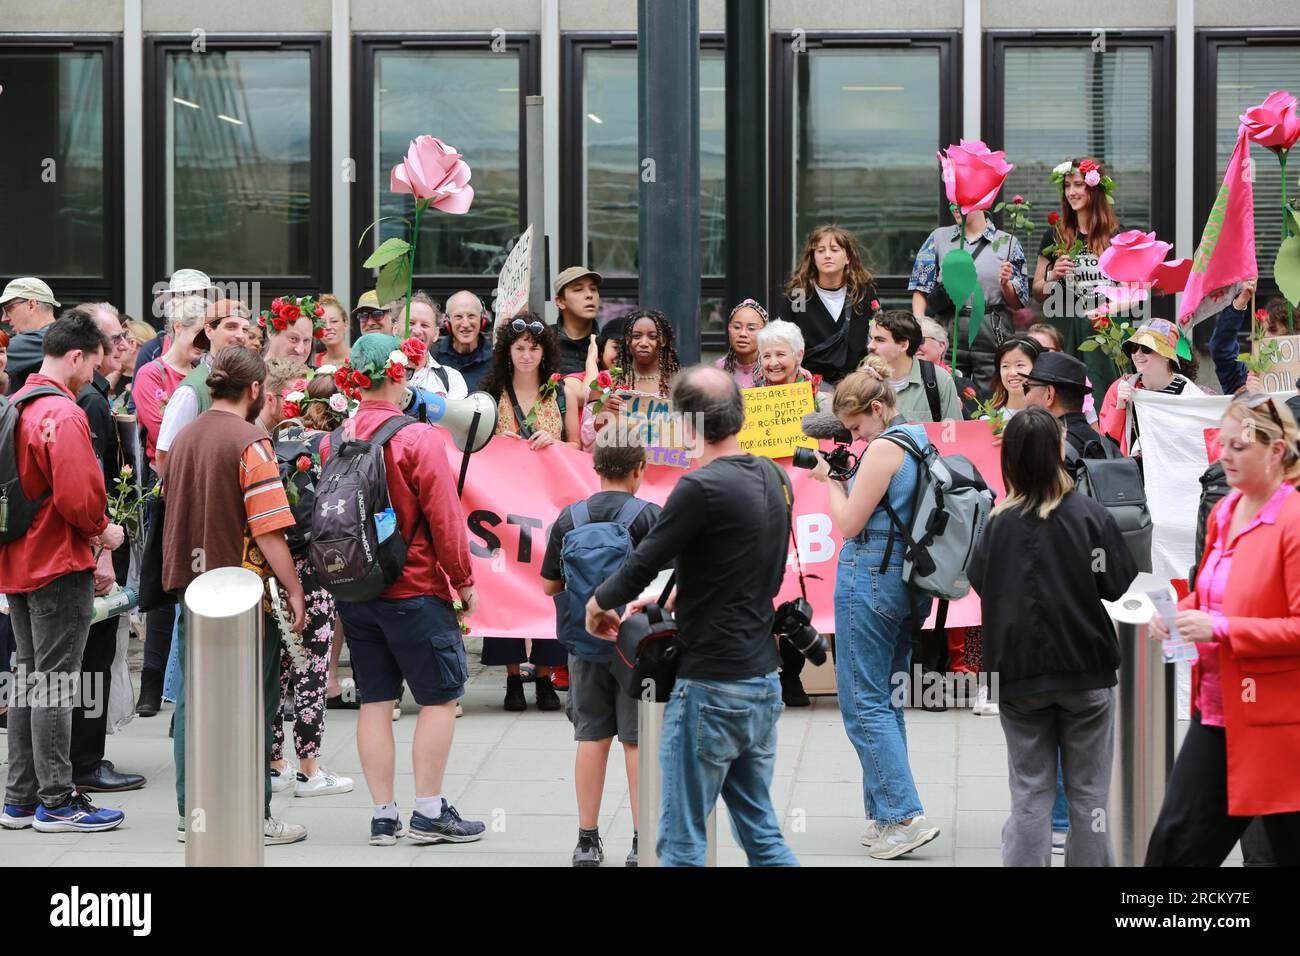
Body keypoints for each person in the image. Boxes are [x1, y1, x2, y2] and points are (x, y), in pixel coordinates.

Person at [585, 366, 799, 867]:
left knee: (681, 843)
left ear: (686, 425)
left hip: (711, 685)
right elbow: (730, 556)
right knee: (761, 833)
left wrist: (598, 603)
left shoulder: (699, 487)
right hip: (763, 679)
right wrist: (675, 598)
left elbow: (643, 562)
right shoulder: (773, 475)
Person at [320, 333, 484, 847]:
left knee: (375, 700)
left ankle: (383, 816)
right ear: (399, 375)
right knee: (439, 699)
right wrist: (463, 580)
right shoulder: (418, 439)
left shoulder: (333, 439)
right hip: (415, 589)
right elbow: (445, 520)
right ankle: (430, 811)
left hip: (357, 591)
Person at [968, 406, 1137, 866]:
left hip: (1017, 676)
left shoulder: (998, 523)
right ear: (1058, 452)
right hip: (1086, 669)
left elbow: (980, 580)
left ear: (1010, 461)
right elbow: (1117, 583)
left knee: (1029, 793)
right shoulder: (1089, 515)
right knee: (1089, 797)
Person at [161, 346, 308, 846]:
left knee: (194, 702)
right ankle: (252, 813)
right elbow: (268, 530)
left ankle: (191, 815)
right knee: (252, 705)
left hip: (192, 587)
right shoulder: (253, 442)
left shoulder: (182, 437)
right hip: (243, 595)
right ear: (254, 390)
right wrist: (293, 588)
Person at [1145, 394, 1300, 866]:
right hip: (1218, 712)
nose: (1224, 456)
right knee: (1173, 849)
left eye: (1238, 446)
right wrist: (1178, 614)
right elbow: (1212, 592)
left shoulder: (1293, 521)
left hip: (1277, 726)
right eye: (1222, 444)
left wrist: (1221, 628)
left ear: (1276, 451)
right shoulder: (1225, 510)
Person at [806, 359, 942, 859]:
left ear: (879, 408)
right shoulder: (917, 439)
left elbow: (847, 523)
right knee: (884, 700)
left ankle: (903, 816)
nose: (855, 436)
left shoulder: (884, 448)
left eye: (857, 425)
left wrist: (829, 478)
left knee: (861, 702)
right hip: (905, 583)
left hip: (870, 576)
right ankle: (882, 816)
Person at [0, 311, 126, 833]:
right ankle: (56, 801)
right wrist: (104, 531)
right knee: (53, 685)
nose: (97, 373)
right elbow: (79, 497)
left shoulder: (15, 405)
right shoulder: (65, 413)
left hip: (19, 561)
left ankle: (20, 798)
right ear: (76, 355)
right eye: (95, 362)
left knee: (30, 681)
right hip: (57, 561)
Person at [542, 439, 660, 867]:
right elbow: (667, 583)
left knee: (591, 738)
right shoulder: (649, 516)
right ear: (639, 469)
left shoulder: (569, 518)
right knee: (637, 743)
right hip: (637, 648)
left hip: (584, 644)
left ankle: (587, 841)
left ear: (595, 467)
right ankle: (641, 839)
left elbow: (550, 586)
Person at [259, 362, 355, 799]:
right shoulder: (336, 446)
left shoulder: (279, 439)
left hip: (276, 564)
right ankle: (309, 768)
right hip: (317, 566)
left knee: (278, 665)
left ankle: (275, 763)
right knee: (313, 666)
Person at [479, 315, 582, 709]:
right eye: (519, 347)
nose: (526, 355)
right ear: (507, 350)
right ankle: (511, 678)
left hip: (548, 504)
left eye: (533, 348)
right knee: (503, 584)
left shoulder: (561, 394)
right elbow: (475, 445)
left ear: (545, 351)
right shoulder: (492, 393)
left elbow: (577, 447)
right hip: (502, 505)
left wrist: (552, 444)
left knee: (549, 585)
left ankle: (543, 675)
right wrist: (498, 441)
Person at [71, 303, 147, 794]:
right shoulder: (94, 403)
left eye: (123, 338)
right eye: (112, 339)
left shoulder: (98, 396)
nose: (122, 347)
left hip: (99, 545)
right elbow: (95, 485)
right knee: (92, 660)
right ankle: (86, 761)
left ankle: (81, 758)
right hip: (98, 549)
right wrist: (103, 553)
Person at [909, 205, 1029, 397]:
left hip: (991, 325)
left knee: (992, 395)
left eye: (960, 203)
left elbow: (1018, 302)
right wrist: (920, 326)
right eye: (951, 203)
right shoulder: (939, 238)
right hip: (948, 326)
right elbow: (921, 288)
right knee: (945, 390)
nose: (954, 208)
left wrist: (1006, 284)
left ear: (981, 202)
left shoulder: (1008, 242)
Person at [1032, 156, 1123, 400]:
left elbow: (1131, 290)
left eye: (1079, 184)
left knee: (1104, 397)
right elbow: (1038, 291)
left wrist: (1107, 309)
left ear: (1094, 189)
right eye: (1067, 186)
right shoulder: (1055, 236)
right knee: (1066, 397)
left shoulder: (1116, 236)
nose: (1071, 192)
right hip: (1066, 329)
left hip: (1103, 334)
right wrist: (1054, 274)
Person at [155, 299, 251, 476]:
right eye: (231, 327)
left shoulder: (249, 382)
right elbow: (165, 455)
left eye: (245, 329)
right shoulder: (191, 391)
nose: (240, 335)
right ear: (209, 330)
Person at [776, 224, 879, 382]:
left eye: (834, 249)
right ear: (813, 258)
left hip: (857, 381)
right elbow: (782, 337)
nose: (827, 256)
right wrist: (796, 368)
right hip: (810, 382)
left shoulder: (863, 293)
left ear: (848, 258)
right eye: (820, 250)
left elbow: (879, 334)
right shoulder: (799, 295)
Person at [1099, 318, 1202, 457]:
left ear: (1167, 356)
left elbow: (1197, 441)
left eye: (1147, 348)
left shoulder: (1190, 394)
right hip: (1132, 474)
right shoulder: (1121, 387)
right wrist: (1119, 408)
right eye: (1134, 348)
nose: (1138, 354)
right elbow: (1107, 441)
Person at [866, 310, 961, 424]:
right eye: (871, 339)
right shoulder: (864, 380)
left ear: (903, 345)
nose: (870, 346)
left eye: (879, 340)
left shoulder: (939, 379)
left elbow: (954, 435)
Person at [131, 269, 214, 381]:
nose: (192, 304)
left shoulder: (216, 346)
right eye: (183, 297)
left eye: (200, 299)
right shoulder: (153, 349)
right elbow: (136, 397)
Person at [1207, 279, 1286, 396]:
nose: (1266, 337)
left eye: (1273, 331)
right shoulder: (1245, 375)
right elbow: (1221, 350)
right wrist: (1240, 303)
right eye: (1262, 331)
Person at [1022, 351, 1105, 460]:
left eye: (1027, 387)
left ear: (1049, 394)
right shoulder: (1107, 447)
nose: (1025, 397)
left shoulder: (1045, 450)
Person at [1027, 322, 1098, 427]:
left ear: (1060, 352)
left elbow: (1094, 432)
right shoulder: (1014, 378)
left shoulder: (1073, 383)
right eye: (1030, 350)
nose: (1037, 355)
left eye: (1043, 350)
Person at [399, 292, 468, 399]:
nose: (417, 331)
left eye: (425, 325)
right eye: (411, 323)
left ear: (436, 334)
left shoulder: (451, 378)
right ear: (394, 329)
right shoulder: (378, 376)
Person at [1, 276, 61, 393]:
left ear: (31, 305)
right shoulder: (59, 336)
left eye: (8, 309)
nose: (4, 318)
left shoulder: (48, 338)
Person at [437, 290, 493, 393]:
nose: (466, 324)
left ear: (483, 319)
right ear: (447, 322)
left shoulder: (496, 357)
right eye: (458, 317)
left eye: (471, 316)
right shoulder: (433, 356)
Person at [553, 266, 603, 376]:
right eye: (578, 290)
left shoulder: (606, 344)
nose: (590, 295)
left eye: (593, 289)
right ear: (560, 301)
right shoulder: (544, 341)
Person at [752, 319, 818, 393]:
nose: (773, 363)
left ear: (798, 355)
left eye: (780, 354)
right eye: (767, 356)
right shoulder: (749, 398)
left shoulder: (820, 399)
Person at [715, 299, 768, 389]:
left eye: (751, 328)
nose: (743, 334)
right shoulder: (720, 368)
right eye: (737, 327)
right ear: (728, 328)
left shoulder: (772, 367)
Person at [989, 336, 1041, 421]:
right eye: (1005, 366)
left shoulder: (1049, 417)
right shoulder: (988, 418)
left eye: (1020, 365)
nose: (1012, 373)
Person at [318, 293, 351, 368]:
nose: (328, 327)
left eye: (334, 321)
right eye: (322, 323)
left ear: (346, 325)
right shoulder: (311, 362)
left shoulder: (361, 359)